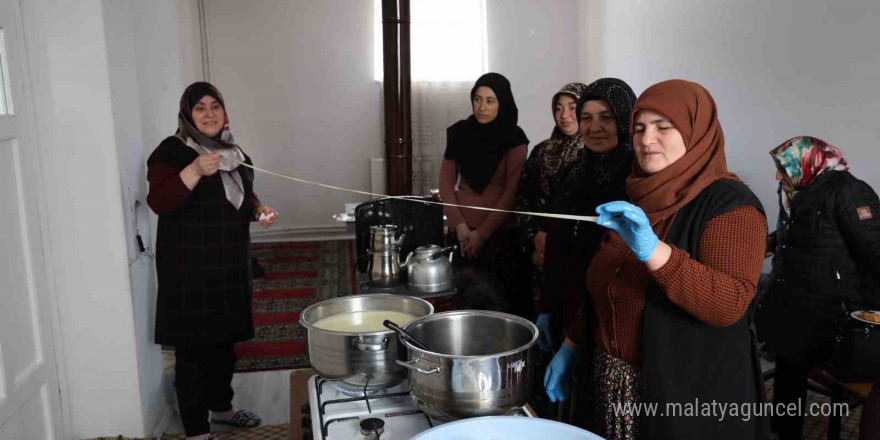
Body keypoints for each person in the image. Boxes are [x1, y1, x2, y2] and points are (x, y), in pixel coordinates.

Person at [544, 79, 770, 439]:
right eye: (639, 128)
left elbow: (729, 304)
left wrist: (655, 252)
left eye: (664, 127)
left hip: (686, 401)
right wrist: (572, 344)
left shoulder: (730, 205)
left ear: (696, 131)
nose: (647, 139)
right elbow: (608, 282)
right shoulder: (639, 194)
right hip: (614, 389)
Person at [147, 82, 277, 440]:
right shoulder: (170, 152)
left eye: (214, 106)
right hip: (188, 272)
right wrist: (193, 172)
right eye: (199, 107)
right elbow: (159, 202)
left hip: (230, 266)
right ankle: (196, 431)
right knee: (193, 354)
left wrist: (258, 209)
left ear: (224, 112)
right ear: (187, 115)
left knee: (224, 345)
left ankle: (222, 411)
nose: (208, 113)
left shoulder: (234, 152)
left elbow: (242, 194)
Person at [756, 136, 880, 440]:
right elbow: (800, 233)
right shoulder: (796, 190)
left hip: (833, 314)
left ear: (809, 162)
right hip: (796, 308)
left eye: (782, 168)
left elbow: (875, 250)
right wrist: (768, 242)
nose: (777, 176)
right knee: (787, 381)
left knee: (799, 373)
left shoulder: (848, 190)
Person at [535, 78, 636, 356]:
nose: (594, 127)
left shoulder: (637, 178)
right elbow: (556, 241)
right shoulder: (574, 173)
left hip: (611, 317)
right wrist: (546, 305)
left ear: (626, 120)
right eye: (587, 118)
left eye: (606, 117)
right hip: (565, 304)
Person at [439, 72, 528, 312]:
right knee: (464, 301)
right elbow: (446, 181)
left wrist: (482, 234)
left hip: (500, 236)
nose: (482, 107)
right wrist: (460, 226)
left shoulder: (515, 139)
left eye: (490, 100)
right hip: (461, 234)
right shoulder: (459, 133)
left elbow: (512, 191)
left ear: (503, 102)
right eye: (477, 99)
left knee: (499, 304)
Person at [516, 82, 588, 325]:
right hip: (541, 254)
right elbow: (523, 198)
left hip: (576, 257)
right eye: (558, 108)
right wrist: (534, 235)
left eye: (572, 107)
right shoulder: (541, 152)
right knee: (542, 324)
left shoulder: (594, 153)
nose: (564, 115)